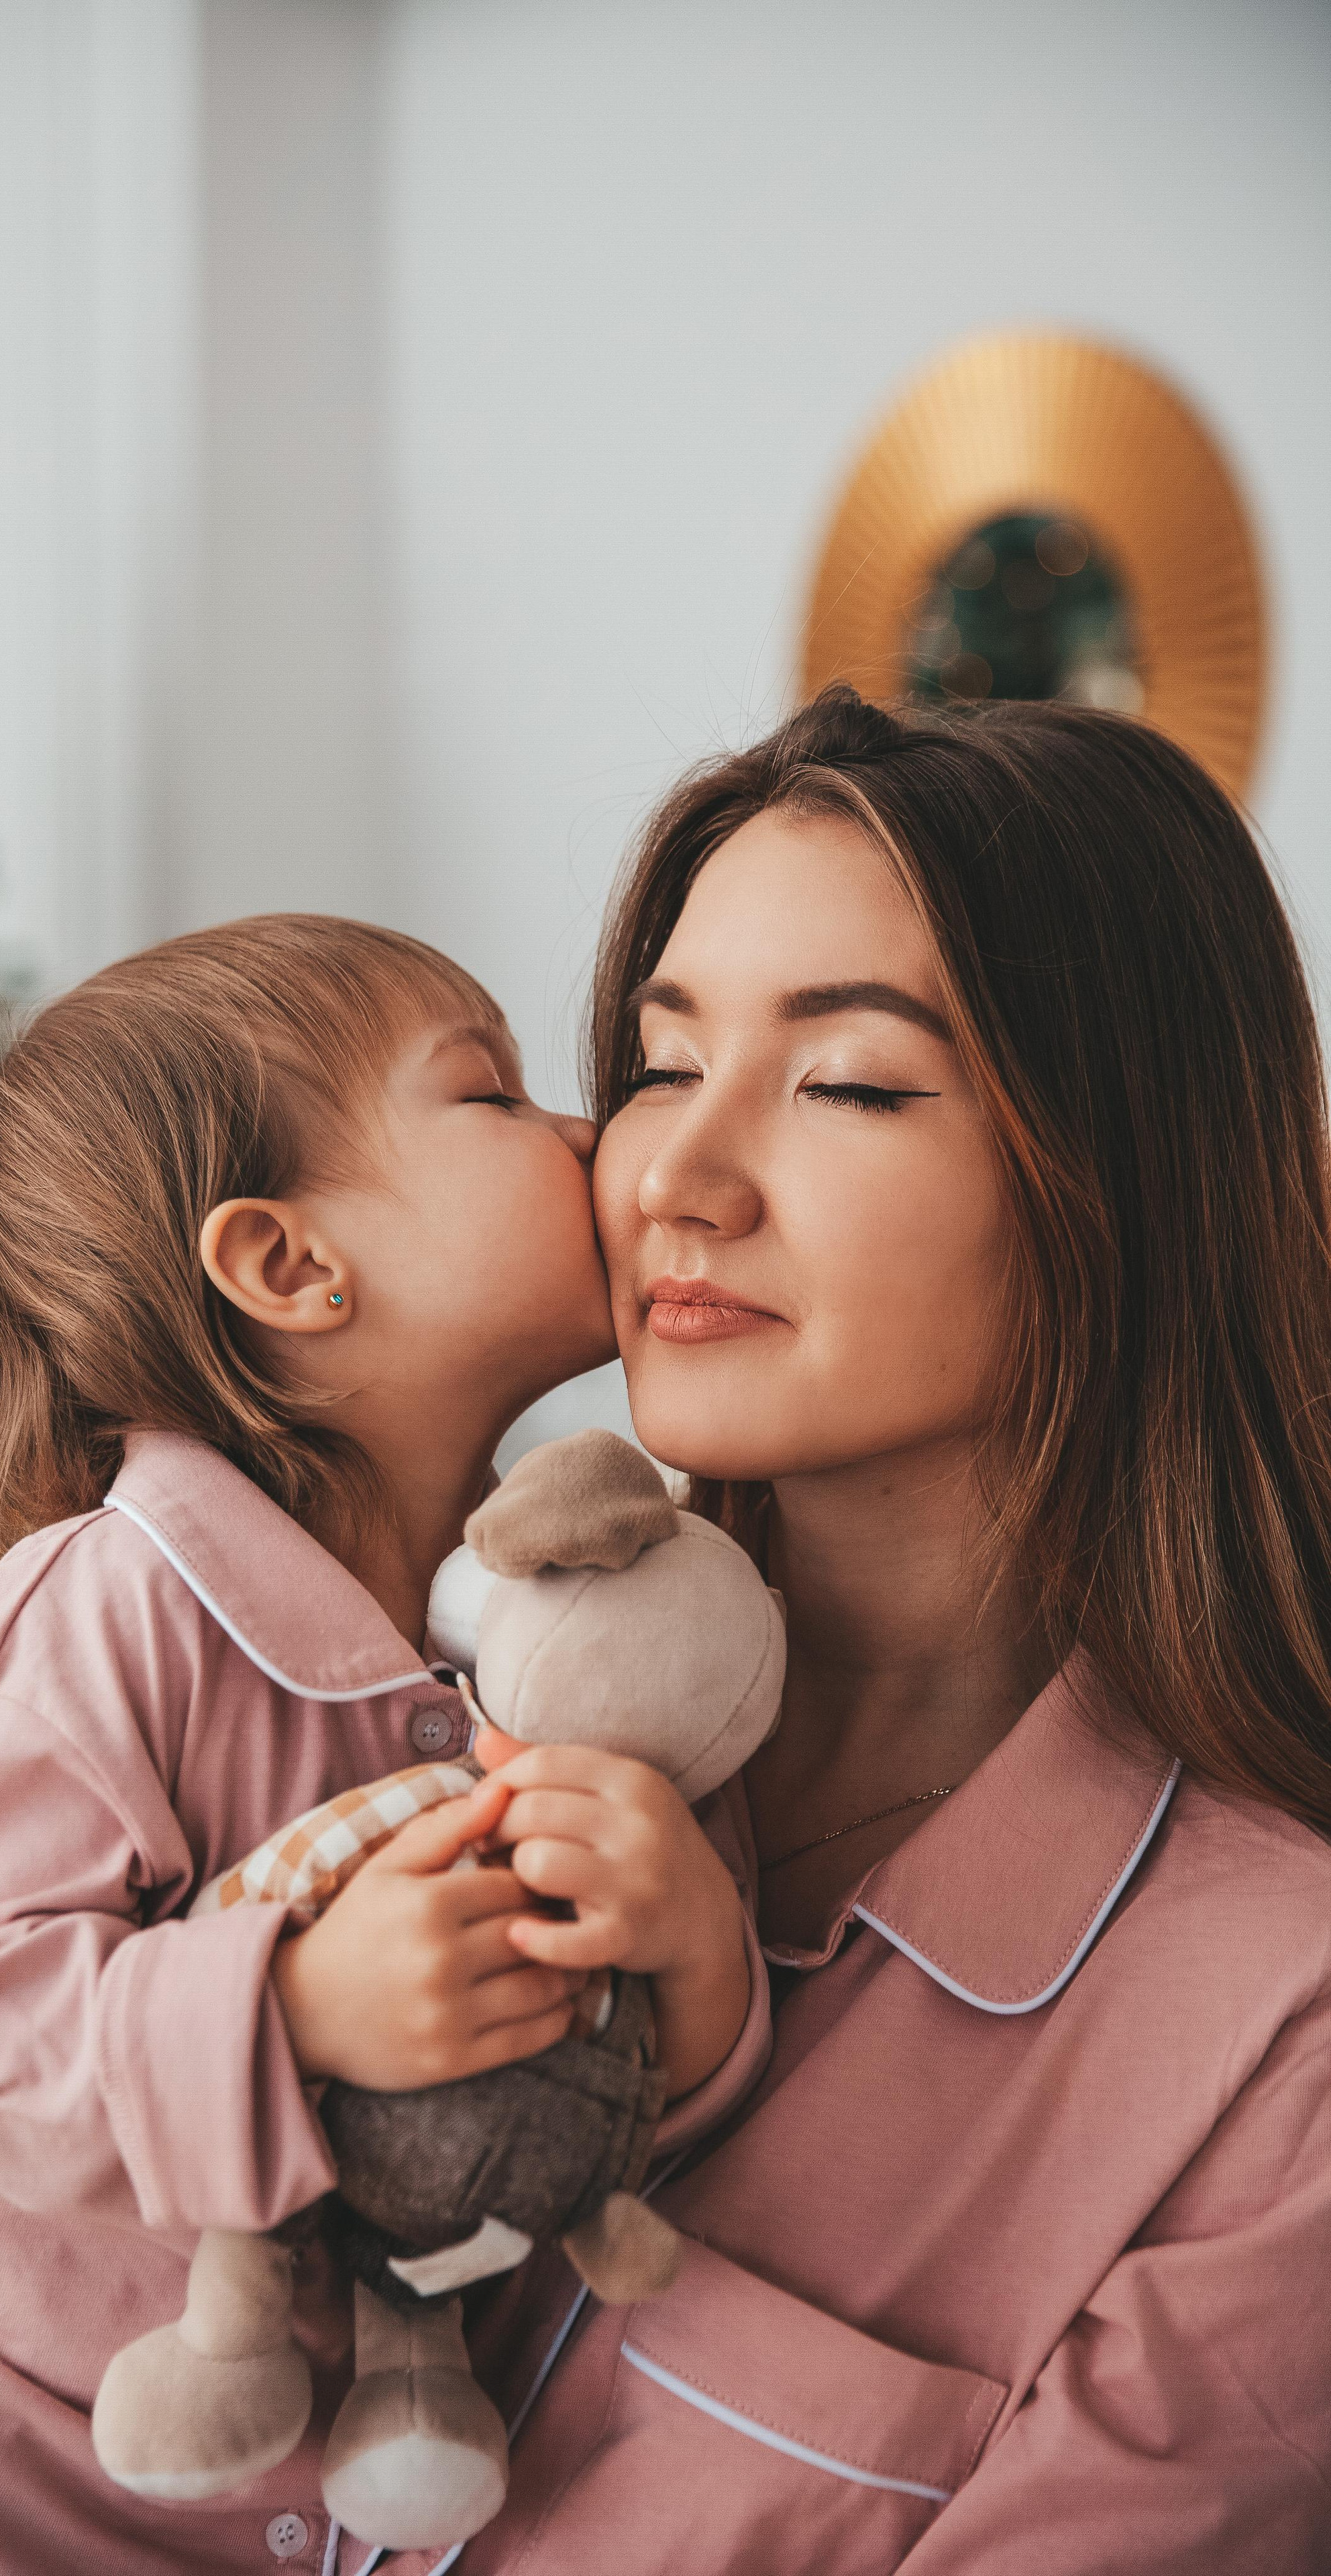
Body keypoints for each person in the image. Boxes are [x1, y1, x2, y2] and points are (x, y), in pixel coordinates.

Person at [0, 918, 764, 2576]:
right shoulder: (101, 1609)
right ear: (288, 1267)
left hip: (239, 2507)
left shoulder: (540, 1629)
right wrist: (294, 2007)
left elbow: (578, 2110)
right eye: (494, 1096)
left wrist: (693, 1959)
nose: (589, 1139)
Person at [459, 689, 1331, 2575]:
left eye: (848, 1083)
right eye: (663, 1064)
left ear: (1127, 1176)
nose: (679, 1181)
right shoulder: (419, 1715)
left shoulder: (1282, 2054)